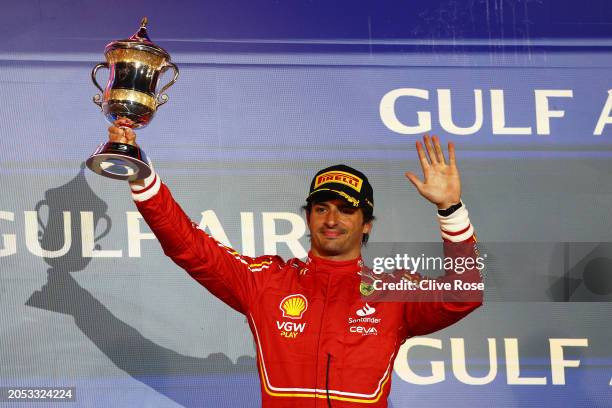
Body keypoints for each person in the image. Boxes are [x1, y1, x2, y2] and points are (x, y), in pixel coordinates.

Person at [109, 121, 482, 408]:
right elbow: (189, 247)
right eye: (321, 209)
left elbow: (462, 295)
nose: (331, 220)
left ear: (366, 223)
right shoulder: (266, 282)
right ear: (308, 217)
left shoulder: (391, 292)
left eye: (346, 210)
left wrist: (450, 210)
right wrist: (143, 179)